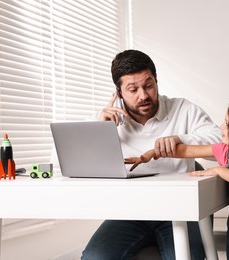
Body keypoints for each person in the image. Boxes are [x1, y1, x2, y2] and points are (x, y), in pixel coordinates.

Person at [81, 49, 221, 260]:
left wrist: (180, 140)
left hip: (179, 210)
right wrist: (98, 132)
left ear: (156, 81)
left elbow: (223, 145)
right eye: (133, 89)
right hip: (129, 212)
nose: (143, 95)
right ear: (118, 93)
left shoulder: (183, 109)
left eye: (148, 85)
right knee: (94, 257)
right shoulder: (106, 119)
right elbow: (67, 162)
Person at [128, 99, 229, 260]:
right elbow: (184, 151)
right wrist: (151, 153)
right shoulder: (224, 150)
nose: (221, 126)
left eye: (227, 123)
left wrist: (219, 170)